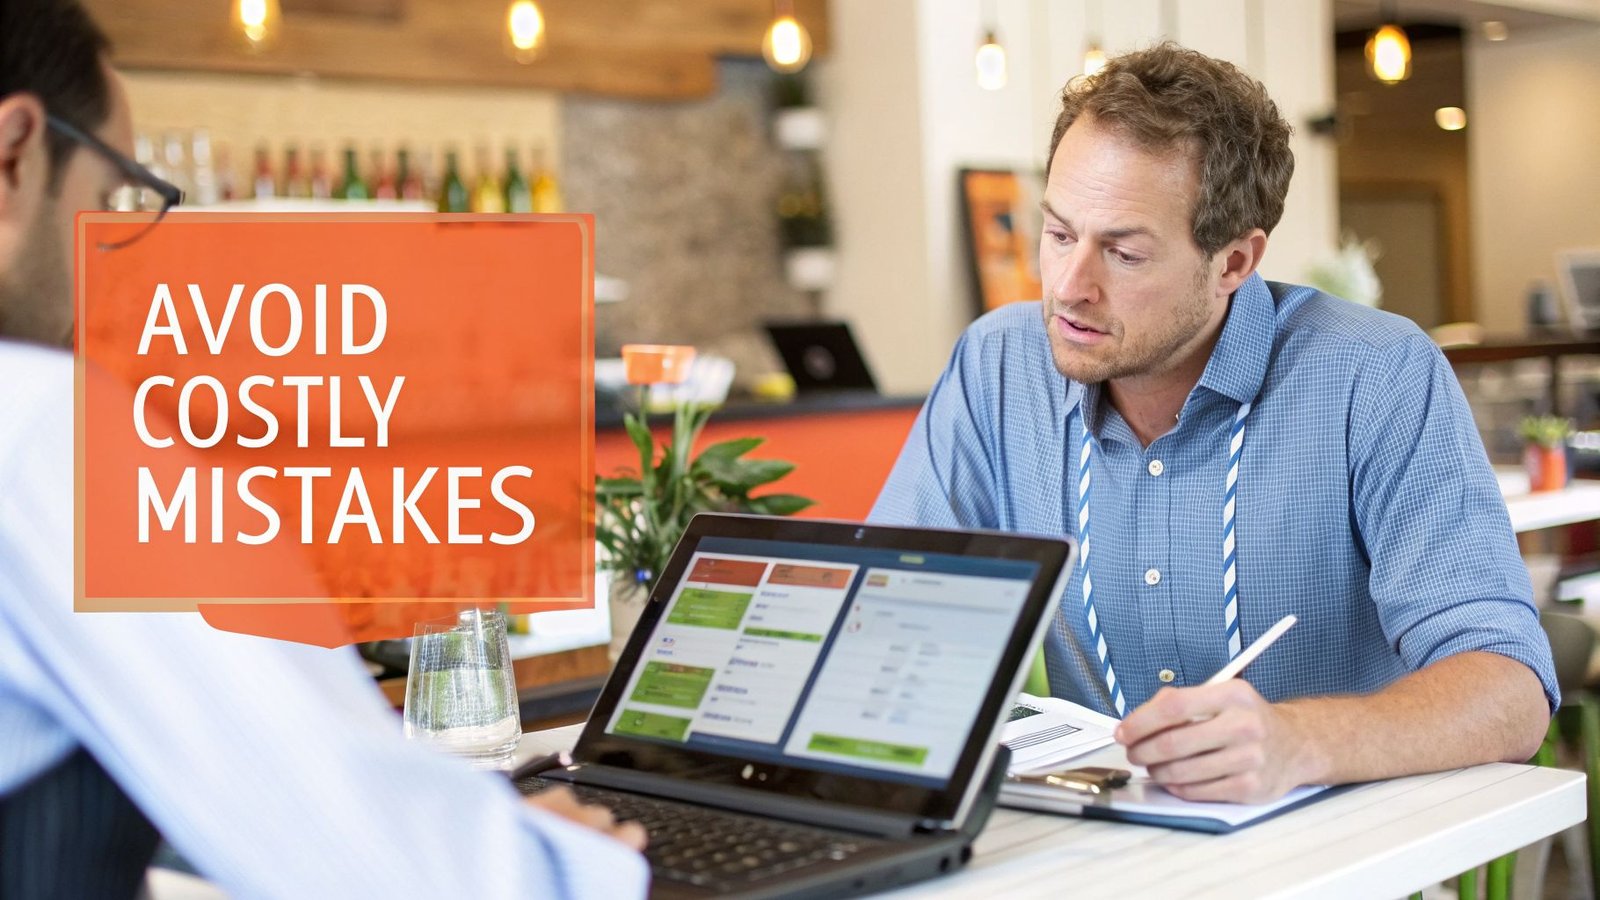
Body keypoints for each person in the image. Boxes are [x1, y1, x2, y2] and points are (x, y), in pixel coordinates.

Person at [0, 1, 646, 896]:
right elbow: (390, 870)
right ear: (14, 155)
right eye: (113, 196)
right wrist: (561, 856)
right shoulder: (40, 424)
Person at [871, 43, 1556, 805]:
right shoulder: (997, 368)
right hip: (1102, 846)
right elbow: (893, 613)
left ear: (1234, 262)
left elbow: (1510, 691)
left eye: (1123, 253)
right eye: (1059, 234)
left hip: (1334, 851)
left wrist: (1300, 742)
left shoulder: (1376, 376)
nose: (1068, 287)